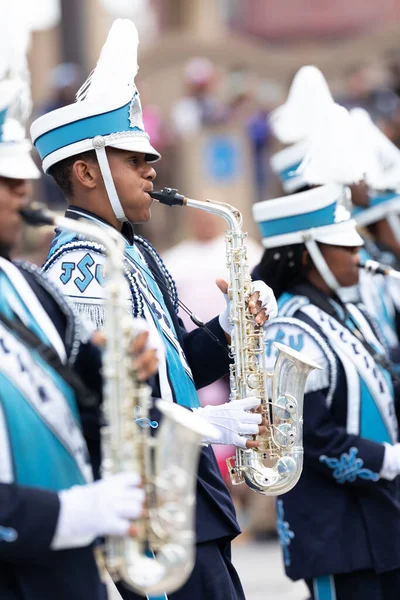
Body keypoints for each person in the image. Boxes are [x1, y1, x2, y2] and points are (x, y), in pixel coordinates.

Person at [31, 18, 278, 600]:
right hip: (154, 514)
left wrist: (229, 327)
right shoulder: (80, 269)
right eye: (133, 159)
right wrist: (199, 425)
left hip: (192, 504)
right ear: (87, 172)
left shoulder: (132, 252)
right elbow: (98, 407)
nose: (152, 169)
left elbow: (179, 373)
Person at [0, 22, 160, 600]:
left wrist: (119, 376)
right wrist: (70, 514)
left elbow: (80, 406)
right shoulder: (71, 265)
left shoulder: (28, 288)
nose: (23, 193)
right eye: (5, 180)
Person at [252, 177, 400, 599]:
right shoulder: (289, 327)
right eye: (346, 247)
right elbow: (307, 436)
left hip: (381, 520)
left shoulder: (352, 313)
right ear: (309, 254)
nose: (359, 254)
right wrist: (388, 459)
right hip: (336, 532)